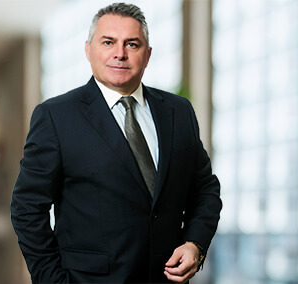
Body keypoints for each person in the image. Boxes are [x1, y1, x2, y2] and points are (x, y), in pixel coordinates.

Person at [11, 3, 222, 283]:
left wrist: (195, 243)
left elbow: (205, 189)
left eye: (132, 44)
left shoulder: (178, 111)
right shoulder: (56, 117)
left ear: (147, 55)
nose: (119, 54)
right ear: (89, 50)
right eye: (108, 42)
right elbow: (27, 208)